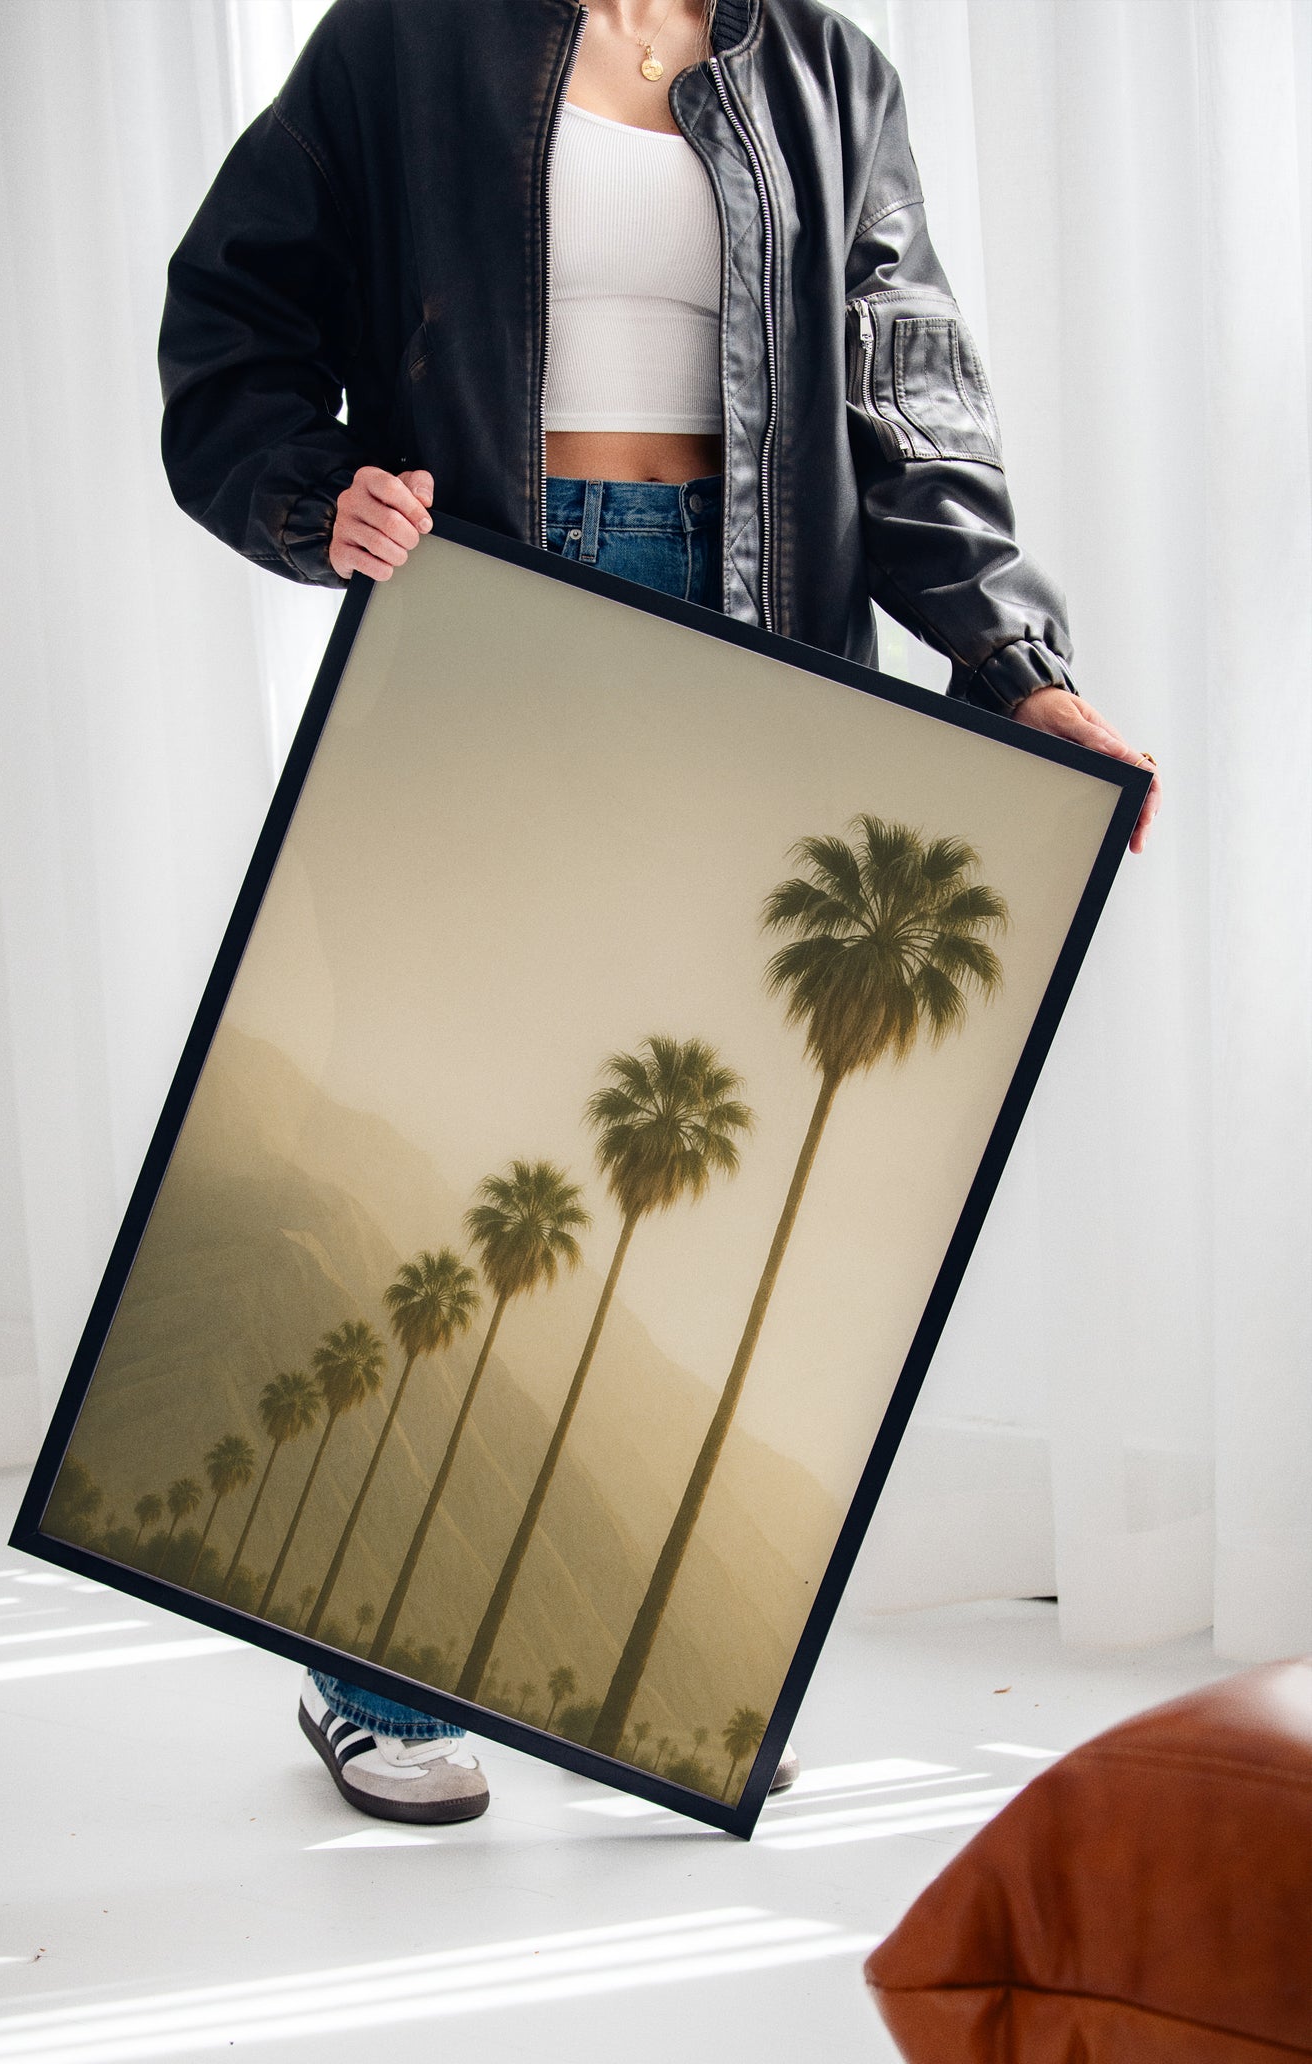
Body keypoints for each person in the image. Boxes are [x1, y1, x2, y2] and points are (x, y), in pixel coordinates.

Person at [159, 0, 1160, 1827]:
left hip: (757, 619)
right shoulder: (403, 42)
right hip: (492, 607)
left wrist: (1017, 667)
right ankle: (373, 1679)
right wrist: (323, 499)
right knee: (450, 1144)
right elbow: (234, 321)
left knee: (689, 1189)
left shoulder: (829, 72)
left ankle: (665, 1681)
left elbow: (904, 399)